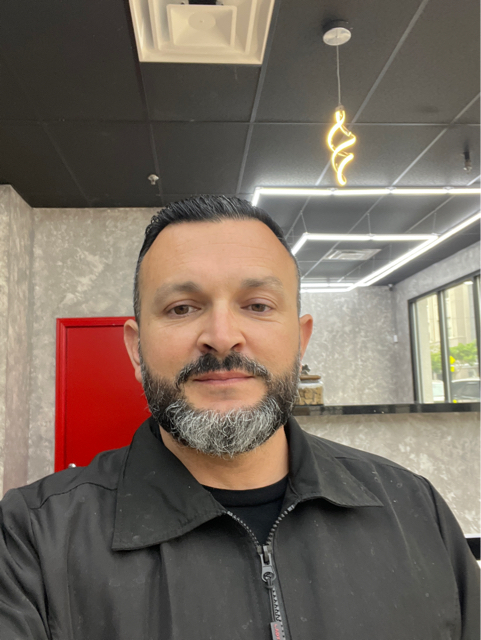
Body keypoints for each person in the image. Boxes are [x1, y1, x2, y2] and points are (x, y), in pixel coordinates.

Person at [0, 195, 479, 640]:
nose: (222, 336)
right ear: (136, 349)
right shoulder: (35, 540)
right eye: (182, 308)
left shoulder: (415, 510)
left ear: (300, 341)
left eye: (257, 305)